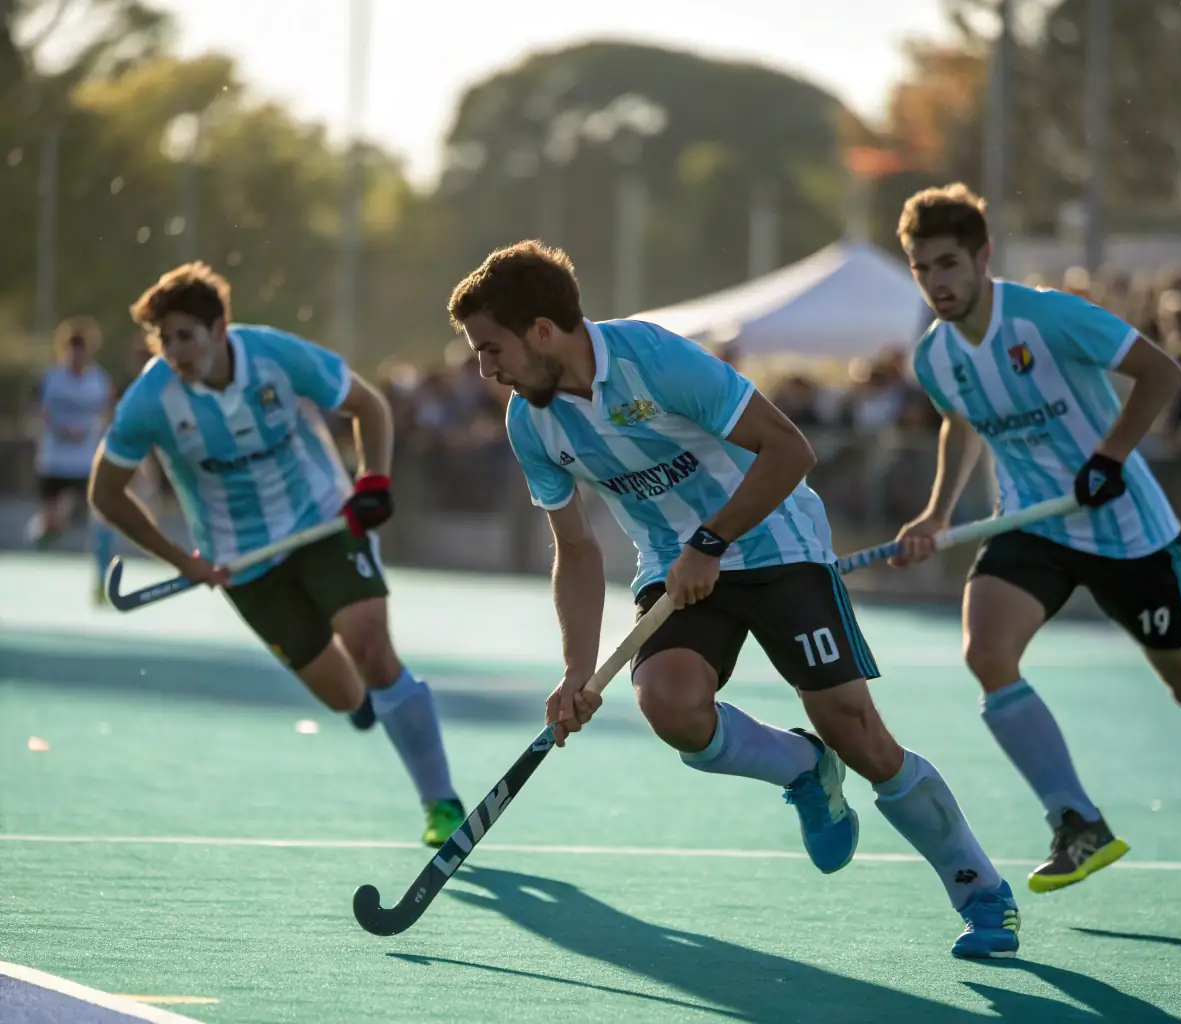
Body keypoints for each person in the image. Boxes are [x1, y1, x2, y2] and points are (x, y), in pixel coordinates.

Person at [447, 240, 1020, 960]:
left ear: (540, 331)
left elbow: (789, 450)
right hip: (673, 564)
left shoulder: (654, 359)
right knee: (669, 704)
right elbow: (579, 549)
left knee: (856, 731)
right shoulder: (530, 422)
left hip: (776, 542)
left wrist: (712, 540)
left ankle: (980, 891)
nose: (485, 370)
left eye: (491, 349)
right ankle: (802, 768)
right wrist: (575, 670)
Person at [891, 184, 1181, 897]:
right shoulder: (934, 356)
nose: (936, 282)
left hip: (1127, 529)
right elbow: (959, 423)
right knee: (986, 653)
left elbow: (1160, 372)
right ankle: (1075, 821)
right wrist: (936, 514)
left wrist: (1110, 456)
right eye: (920, 268)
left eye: (947, 264)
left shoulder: (1048, 317)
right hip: (1033, 522)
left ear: (982, 258)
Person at [88, 262, 466, 847]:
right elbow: (106, 493)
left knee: (370, 645)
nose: (175, 351)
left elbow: (369, 405)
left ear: (220, 329)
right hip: (241, 564)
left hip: (323, 523)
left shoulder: (276, 356)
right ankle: (371, 703)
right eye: (164, 339)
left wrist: (372, 481)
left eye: (185, 335)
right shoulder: (150, 400)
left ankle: (440, 802)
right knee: (344, 694)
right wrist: (182, 560)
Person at [30, 316, 117, 601]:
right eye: (72, 349)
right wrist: (61, 429)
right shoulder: (51, 379)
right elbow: (39, 412)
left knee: (102, 519)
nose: (76, 355)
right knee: (52, 526)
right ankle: (50, 526)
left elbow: (109, 414)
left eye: (81, 349)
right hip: (54, 461)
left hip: (86, 462)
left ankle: (102, 581)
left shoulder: (99, 380)